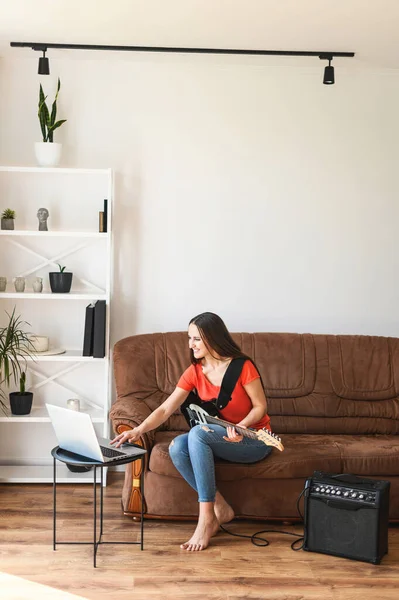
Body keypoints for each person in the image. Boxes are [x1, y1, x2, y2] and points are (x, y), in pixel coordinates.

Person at [111, 312, 272, 552]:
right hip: (219, 437)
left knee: (198, 433)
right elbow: (166, 408)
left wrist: (241, 428)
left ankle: (206, 520)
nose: (190, 344)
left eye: (196, 339)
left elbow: (260, 407)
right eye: (189, 338)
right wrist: (138, 430)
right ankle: (219, 506)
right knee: (177, 446)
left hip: (253, 439)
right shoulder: (195, 371)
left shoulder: (242, 366)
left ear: (212, 338)